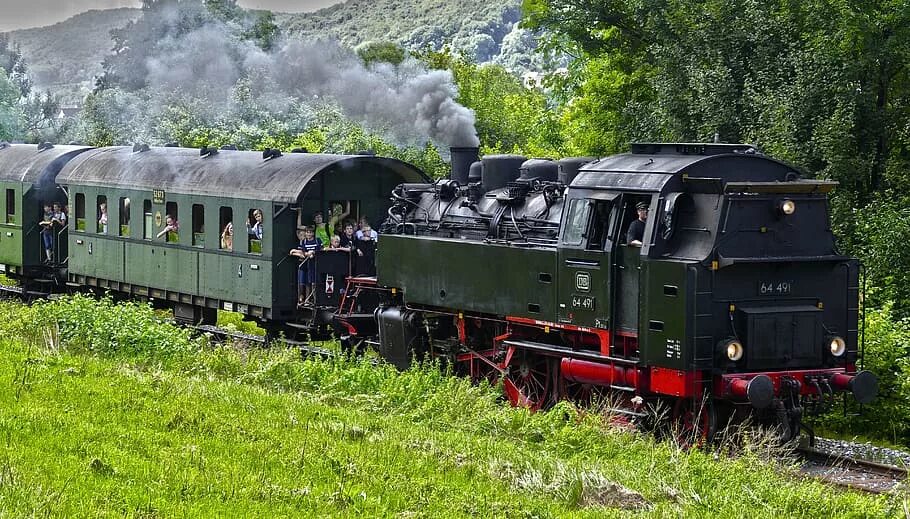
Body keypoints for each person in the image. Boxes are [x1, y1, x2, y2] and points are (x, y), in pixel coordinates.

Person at [290, 226, 322, 306]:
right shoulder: (304, 242)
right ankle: (305, 300)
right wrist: (305, 253)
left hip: (316, 264)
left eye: (310, 232)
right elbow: (303, 252)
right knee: (306, 282)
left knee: (314, 282)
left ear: (313, 233)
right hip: (306, 264)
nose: (309, 234)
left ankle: (314, 300)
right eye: (307, 232)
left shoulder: (317, 241)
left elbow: (321, 250)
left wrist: (314, 253)